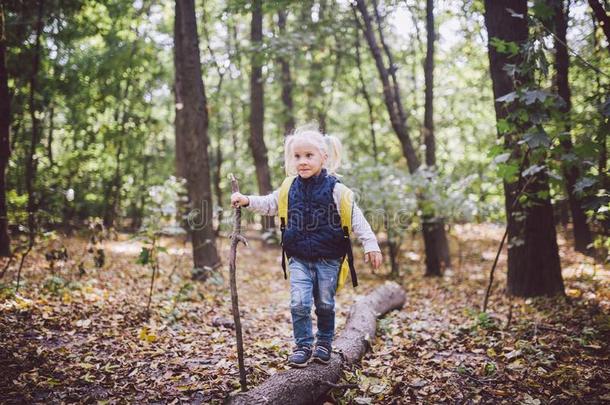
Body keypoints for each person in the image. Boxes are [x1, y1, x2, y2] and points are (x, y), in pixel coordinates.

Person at [231, 125, 383, 368]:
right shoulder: (289, 187)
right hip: (298, 257)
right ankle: (302, 345)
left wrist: (371, 244)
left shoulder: (336, 189)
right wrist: (247, 200)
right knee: (299, 303)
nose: (302, 161)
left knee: (324, 303)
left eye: (309, 156)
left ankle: (323, 343)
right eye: (297, 156)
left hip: (329, 259)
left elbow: (357, 218)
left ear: (324, 157)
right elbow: (270, 203)